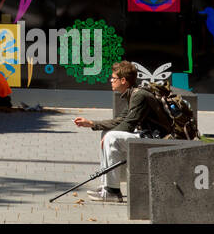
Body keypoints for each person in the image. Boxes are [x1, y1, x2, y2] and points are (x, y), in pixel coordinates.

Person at [72, 60, 168, 202]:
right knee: (107, 134)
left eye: (114, 78)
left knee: (111, 137)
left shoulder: (139, 95)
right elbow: (119, 120)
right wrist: (91, 123)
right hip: (149, 136)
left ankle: (112, 191)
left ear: (123, 80)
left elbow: (129, 124)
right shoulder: (133, 94)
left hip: (159, 140)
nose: (111, 80)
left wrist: (109, 136)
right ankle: (106, 186)